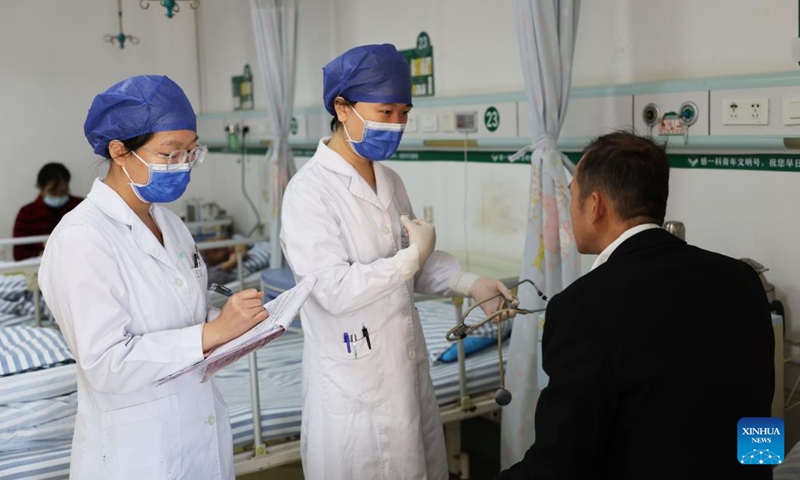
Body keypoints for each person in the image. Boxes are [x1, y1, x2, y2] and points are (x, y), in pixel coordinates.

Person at [279, 43, 517, 480]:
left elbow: (416, 265)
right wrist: (409, 259)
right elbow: (330, 289)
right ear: (342, 107)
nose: (397, 124)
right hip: (353, 390)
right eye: (386, 112)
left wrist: (468, 281)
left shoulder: (389, 179)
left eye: (404, 112)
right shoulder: (308, 192)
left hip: (404, 379)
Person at [495, 131, 775, 479]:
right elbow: (759, 415)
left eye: (572, 197)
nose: (570, 210)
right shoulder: (742, 280)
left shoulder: (582, 308)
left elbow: (561, 463)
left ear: (595, 206)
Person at [38, 75, 269, 480]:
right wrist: (211, 334)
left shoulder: (171, 224)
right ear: (119, 151)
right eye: (170, 152)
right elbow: (106, 363)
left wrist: (236, 325)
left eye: (191, 152)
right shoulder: (82, 238)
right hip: (136, 455)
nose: (183, 164)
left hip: (197, 430)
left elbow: (183, 312)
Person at [12, 163, 83, 260]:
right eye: (53, 192)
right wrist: (43, 254)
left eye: (63, 192)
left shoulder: (80, 206)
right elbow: (19, 254)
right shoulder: (27, 213)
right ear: (40, 188)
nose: (58, 196)